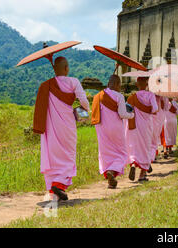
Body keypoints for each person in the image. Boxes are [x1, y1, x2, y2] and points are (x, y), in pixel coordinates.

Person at [33, 56, 89, 201]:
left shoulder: (47, 85)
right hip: (68, 126)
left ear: (54, 69)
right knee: (68, 155)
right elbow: (83, 100)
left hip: (51, 127)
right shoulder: (73, 81)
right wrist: (85, 108)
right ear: (66, 68)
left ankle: (54, 189)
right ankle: (58, 186)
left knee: (54, 157)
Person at [91, 75, 134, 189]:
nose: (120, 87)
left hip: (102, 128)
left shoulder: (98, 96)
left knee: (106, 153)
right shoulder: (119, 96)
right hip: (116, 128)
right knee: (122, 153)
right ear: (115, 84)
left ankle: (110, 179)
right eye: (119, 85)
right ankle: (111, 171)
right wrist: (131, 115)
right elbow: (122, 114)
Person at [126, 77, 158, 182]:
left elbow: (127, 110)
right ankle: (142, 175)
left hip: (134, 125)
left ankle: (134, 163)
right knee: (145, 147)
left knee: (135, 146)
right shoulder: (150, 95)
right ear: (147, 84)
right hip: (146, 125)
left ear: (137, 84)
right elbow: (155, 109)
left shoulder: (132, 97)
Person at [150, 95, 169, 164]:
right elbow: (165, 107)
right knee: (156, 137)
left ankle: (151, 156)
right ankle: (153, 156)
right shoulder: (162, 96)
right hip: (159, 117)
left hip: (149, 116)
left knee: (150, 137)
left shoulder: (149, 94)